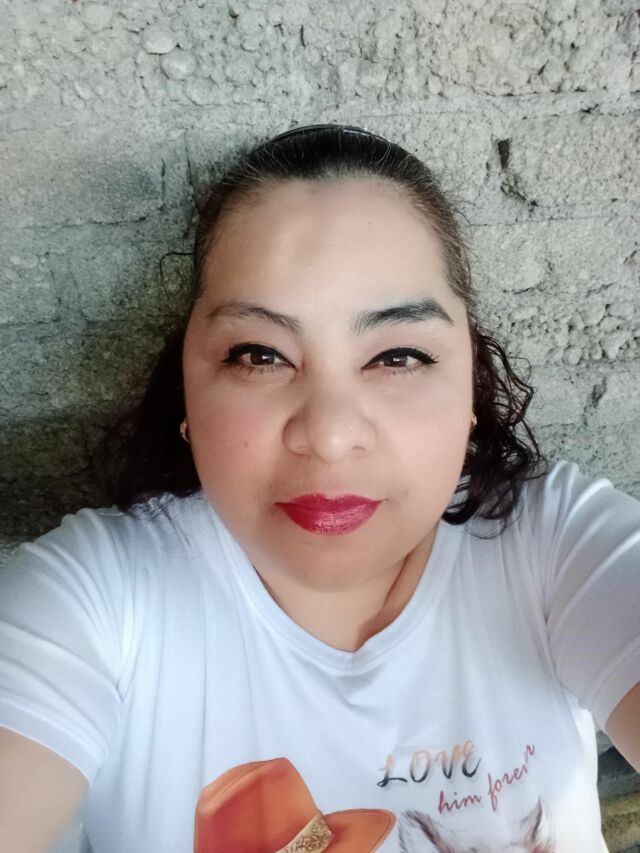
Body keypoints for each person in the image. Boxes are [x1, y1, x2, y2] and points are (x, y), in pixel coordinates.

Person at [0, 123, 638, 853]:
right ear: (187, 395)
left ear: (471, 384)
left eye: (398, 355)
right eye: (259, 355)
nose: (330, 435)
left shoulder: (556, 548)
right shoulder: (95, 603)